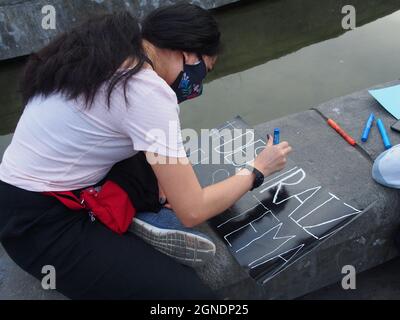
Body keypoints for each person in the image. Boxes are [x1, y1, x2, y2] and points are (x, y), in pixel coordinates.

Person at [0, 3, 292, 299]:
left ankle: (138, 206)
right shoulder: (145, 89)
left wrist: (168, 184)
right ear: (189, 53)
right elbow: (193, 211)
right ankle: (128, 215)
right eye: (204, 70)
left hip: (21, 188)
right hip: (40, 225)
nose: (198, 85)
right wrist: (257, 170)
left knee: (162, 162)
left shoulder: (109, 46)